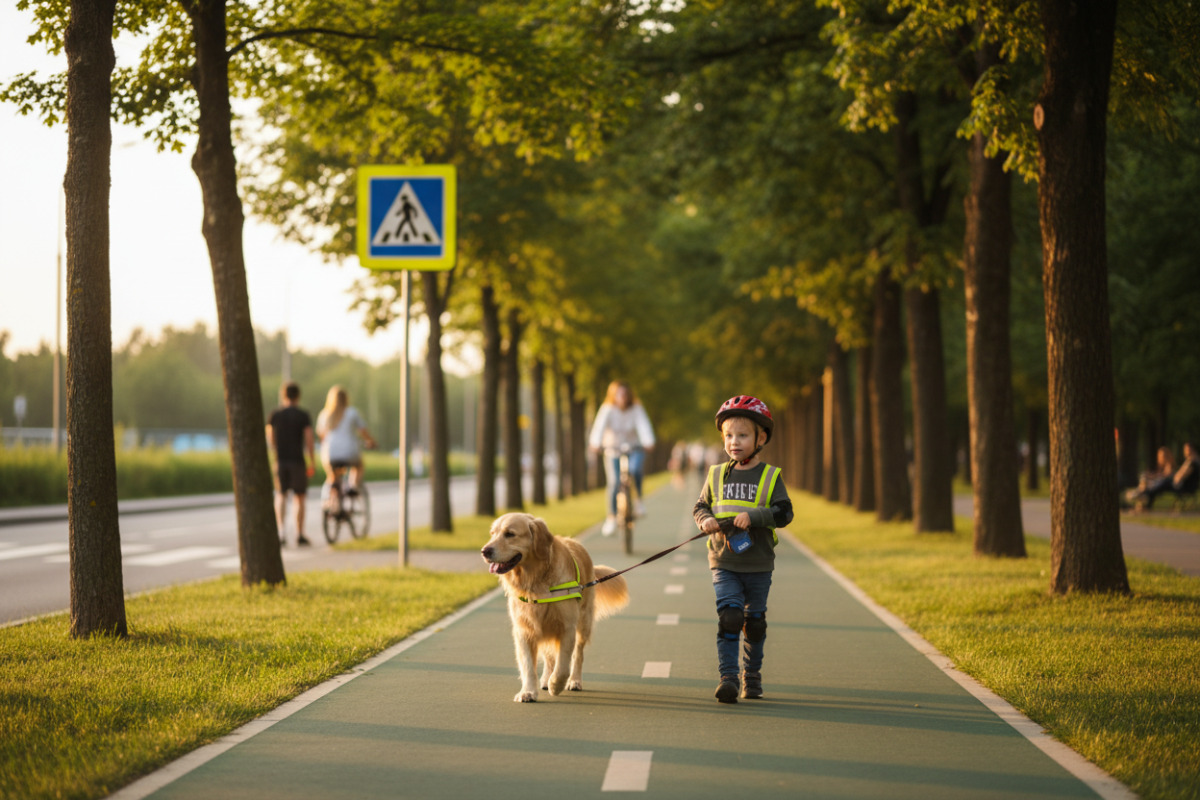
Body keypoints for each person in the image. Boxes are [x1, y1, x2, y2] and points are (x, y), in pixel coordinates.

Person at [693, 395, 793, 704]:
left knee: (755, 622)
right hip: (724, 560)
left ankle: (752, 676)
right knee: (730, 616)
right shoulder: (714, 475)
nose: (734, 442)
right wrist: (705, 520)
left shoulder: (771, 476)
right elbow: (700, 506)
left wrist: (755, 516)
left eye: (743, 435)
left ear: (761, 438)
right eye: (729, 436)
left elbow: (784, 513)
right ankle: (729, 678)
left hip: (759, 562)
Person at [588, 380, 656, 536]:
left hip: (634, 448)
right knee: (614, 482)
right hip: (612, 449)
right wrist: (595, 443)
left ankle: (638, 501)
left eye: (625, 394)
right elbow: (599, 428)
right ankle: (611, 517)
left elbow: (643, 426)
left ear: (629, 395)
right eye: (619, 394)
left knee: (635, 470)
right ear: (613, 395)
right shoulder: (607, 409)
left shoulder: (636, 409)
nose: (623, 397)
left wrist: (648, 442)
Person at [265, 381, 316, 546]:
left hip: (280, 460)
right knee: (299, 497)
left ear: (283, 395)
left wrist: (275, 450)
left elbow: (270, 435)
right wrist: (312, 460)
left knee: (280, 494)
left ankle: (281, 532)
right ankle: (300, 533)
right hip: (297, 461)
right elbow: (309, 439)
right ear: (298, 396)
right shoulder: (303, 415)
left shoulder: (275, 414)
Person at [316, 385, 377, 508]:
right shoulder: (352, 412)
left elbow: (321, 435)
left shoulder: (325, 414)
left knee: (333, 476)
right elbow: (363, 432)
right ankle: (353, 486)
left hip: (330, 454)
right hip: (350, 452)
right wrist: (372, 442)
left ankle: (331, 502)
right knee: (359, 466)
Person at [1125, 445, 1177, 511]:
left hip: (1162, 485)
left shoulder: (1169, 465)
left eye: (1162, 456)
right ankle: (1139, 493)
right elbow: (1161, 475)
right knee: (1144, 477)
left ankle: (1138, 493)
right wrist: (1152, 475)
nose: (1161, 458)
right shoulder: (1164, 466)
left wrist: (1152, 476)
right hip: (1159, 484)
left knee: (1144, 479)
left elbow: (1164, 477)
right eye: (1160, 456)